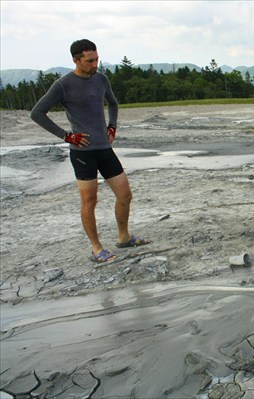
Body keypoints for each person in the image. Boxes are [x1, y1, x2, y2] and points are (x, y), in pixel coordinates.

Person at [30, 39, 150, 263]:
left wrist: (112, 126)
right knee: (90, 201)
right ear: (76, 60)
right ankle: (96, 249)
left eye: (97, 59)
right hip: (82, 152)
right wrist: (66, 136)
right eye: (90, 61)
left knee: (125, 195)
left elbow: (113, 104)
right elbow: (37, 113)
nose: (95, 64)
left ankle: (123, 237)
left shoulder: (101, 79)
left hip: (104, 148)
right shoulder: (63, 85)